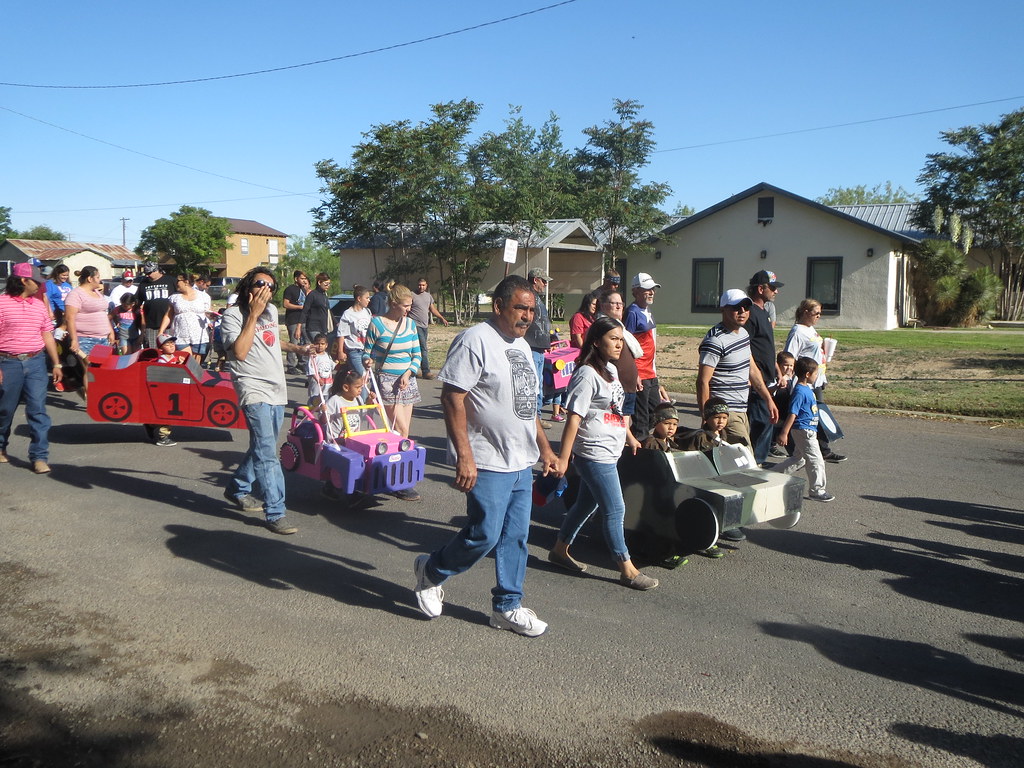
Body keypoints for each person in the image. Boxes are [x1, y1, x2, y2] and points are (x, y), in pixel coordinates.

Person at [413, 274, 559, 637]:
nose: (527, 316)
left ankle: (507, 606)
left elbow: (527, 407)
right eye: (520, 308)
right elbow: (452, 397)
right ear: (498, 307)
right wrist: (464, 456)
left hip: (521, 460)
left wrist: (545, 448)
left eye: (531, 309)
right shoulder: (475, 340)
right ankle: (431, 571)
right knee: (484, 535)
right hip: (487, 458)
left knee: (516, 538)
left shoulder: (524, 347)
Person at [548, 316, 656, 590]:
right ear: (596, 341)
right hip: (593, 452)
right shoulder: (586, 374)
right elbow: (574, 418)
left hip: (610, 450)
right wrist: (563, 457)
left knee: (587, 503)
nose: (620, 345)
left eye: (621, 339)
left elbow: (615, 409)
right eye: (614, 339)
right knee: (615, 509)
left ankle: (560, 550)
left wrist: (629, 436)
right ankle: (627, 569)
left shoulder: (610, 369)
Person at [221, 267, 312, 535]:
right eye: (261, 283)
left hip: (276, 387)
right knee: (268, 454)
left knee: (264, 445)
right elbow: (239, 352)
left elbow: (271, 341)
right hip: (253, 388)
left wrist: (297, 348)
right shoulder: (232, 316)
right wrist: (253, 316)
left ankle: (236, 488)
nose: (266, 289)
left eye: (271, 286)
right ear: (249, 285)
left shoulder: (271, 312)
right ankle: (276, 511)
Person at [696, 289, 779, 543]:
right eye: (735, 308)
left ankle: (723, 516)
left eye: (745, 307)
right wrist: (707, 417)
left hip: (740, 409)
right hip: (725, 412)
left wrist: (767, 397)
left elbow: (751, 367)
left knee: (732, 466)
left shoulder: (742, 334)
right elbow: (703, 381)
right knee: (739, 465)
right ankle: (727, 520)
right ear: (723, 310)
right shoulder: (715, 340)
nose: (742, 312)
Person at [0, 262, 63, 474]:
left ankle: (39, 456)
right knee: (5, 410)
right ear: (23, 281)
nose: (40, 286)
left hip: (36, 363)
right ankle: (0, 446)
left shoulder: (38, 306)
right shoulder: (1, 303)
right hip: (7, 363)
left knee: (38, 410)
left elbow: (47, 334)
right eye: (36, 281)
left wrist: (56, 363)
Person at [363, 285, 422, 478]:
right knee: (400, 428)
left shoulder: (411, 324)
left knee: (404, 432)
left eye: (410, 305)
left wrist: (408, 373)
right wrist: (367, 361)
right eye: (406, 306)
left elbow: (417, 355)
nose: (408, 309)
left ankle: (396, 472)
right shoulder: (377, 324)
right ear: (394, 304)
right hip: (387, 382)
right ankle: (395, 473)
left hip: (408, 382)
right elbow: (366, 352)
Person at [784, 299, 847, 464]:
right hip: (804, 381)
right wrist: (787, 377)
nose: (819, 316)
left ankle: (823, 450)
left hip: (816, 379)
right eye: (816, 313)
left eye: (820, 313)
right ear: (805, 312)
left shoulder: (810, 329)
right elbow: (789, 356)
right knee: (804, 416)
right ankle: (794, 449)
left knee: (816, 414)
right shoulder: (797, 332)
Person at [773, 357, 835, 502]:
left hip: (808, 429)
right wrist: (784, 433)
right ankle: (817, 490)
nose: (817, 376)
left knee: (799, 459)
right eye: (816, 373)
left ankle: (772, 476)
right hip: (803, 430)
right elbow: (792, 413)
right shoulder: (800, 391)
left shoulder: (807, 389)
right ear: (807, 374)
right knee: (816, 460)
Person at [624, 272, 669, 440]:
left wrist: (656, 374)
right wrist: (633, 374)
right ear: (635, 291)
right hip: (639, 373)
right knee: (642, 419)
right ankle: (637, 452)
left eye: (653, 289)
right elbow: (626, 344)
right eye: (647, 289)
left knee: (657, 414)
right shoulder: (632, 312)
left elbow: (652, 344)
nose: (651, 293)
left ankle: (645, 444)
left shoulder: (647, 310)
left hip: (650, 373)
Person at [746, 270, 784, 465]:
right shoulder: (750, 313)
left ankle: (757, 459)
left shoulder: (764, 312)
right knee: (762, 421)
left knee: (767, 421)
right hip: (756, 381)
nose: (776, 292)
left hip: (768, 378)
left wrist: (778, 371)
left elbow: (766, 346)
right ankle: (755, 462)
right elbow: (747, 347)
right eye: (773, 288)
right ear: (760, 289)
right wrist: (753, 377)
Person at [595, 289, 643, 431]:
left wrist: (636, 376)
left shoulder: (619, 327)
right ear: (603, 306)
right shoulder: (602, 327)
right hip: (616, 387)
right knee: (616, 426)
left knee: (625, 425)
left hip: (629, 385)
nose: (618, 306)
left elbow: (627, 355)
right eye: (614, 303)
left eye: (621, 303)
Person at [65, 266, 115, 397]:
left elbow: (103, 313)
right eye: (98, 277)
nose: (99, 280)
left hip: (102, 338)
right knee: (89, 367)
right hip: (85, 338)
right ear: (89, 278)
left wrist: (110, 331)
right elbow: (70, 318)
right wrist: (74, 340)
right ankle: (91, 399)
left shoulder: (97, 292)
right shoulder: (75, 294)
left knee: (100, 368)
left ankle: (99, 395)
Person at [143, 333, 188, 447]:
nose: (171, 346)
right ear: (161, 349)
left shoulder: (173, 357)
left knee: (164, 414)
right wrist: (178, 365)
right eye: (167, 344)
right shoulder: (162, 360)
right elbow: (165, 372)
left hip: (172, 390)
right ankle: (163, 437)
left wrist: (178, 362)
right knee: (169, 416)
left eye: (172, 343)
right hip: (164, 391)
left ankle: (151, 424)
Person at [523, 268, 553, 424]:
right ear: (535, 280)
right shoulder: (528, 297)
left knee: (539, 384)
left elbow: (542, 321)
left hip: (540, 347)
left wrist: (549, 339)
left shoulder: (537, 299)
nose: (546, 284)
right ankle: (534, 417)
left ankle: (537, 416)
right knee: (533, 383)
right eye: (544, 281)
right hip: (531, 346)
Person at [159, 274, 212, 356]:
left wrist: (211, 317)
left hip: (199, 335)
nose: (176, 283)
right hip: (181, 335)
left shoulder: (204, 297)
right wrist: (161, 331)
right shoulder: (174, 297)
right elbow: (168, 315)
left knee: (195, 365)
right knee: (185, 361)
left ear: (186, 282)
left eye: (178, 281)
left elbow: (208, 313)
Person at [409, 277, 448, 380]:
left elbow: (432, 309)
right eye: (419, 285)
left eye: (423, 285)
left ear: (426, 286)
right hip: (415, 325)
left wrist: (442, 318)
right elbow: (407, 309)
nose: (421, 287)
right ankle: (426, 371)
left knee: (417, 348)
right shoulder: (412, 295)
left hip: (424, 326)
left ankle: (413, 370)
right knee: (423, 348)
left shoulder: (428, 296)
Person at [137, 262, 177, 349]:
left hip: (169, 323)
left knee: (169, 348)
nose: (148, 276)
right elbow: (138, 301)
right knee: (153, 349)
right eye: (146, 273)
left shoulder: (170, 280)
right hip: (151, 324)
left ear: (157, 270)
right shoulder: (143, 283)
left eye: (150, 273)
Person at [339, 285, 372, 377]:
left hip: (366, 350)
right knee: (362, 376)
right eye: (367, 298)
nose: (369, 300)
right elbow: (342, 334)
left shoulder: (367, 311)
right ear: (359, 298)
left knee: (366, 377)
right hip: (354, 350)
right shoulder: (348, 314)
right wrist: (340, 351)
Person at [769, 351, 796, 458]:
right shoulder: (774, 378)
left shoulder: (791, 378)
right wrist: (777, 386)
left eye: (791, 365)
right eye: (785, 365)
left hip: (785, 409)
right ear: (778, 366)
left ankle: (794, 453)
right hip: (776, 409)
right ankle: (771, 447)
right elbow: (768, 391)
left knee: (784, 429)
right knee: (773, 429)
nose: (789, 368)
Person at [282, 270, 309, 374]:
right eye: (302, 278)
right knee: (294, 342)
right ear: (296, 279)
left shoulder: (304, 290)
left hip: (303, 320)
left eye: (305, 279)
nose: (304, 280)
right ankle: (291, 365)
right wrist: (300, 307)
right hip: (293, 319)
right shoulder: (290, 289)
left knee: (304, 342)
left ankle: (302, 363)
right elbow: (286, 304)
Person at [300, 272, 333, 345]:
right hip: (313, 327)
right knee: (317, 347)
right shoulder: (312, 295)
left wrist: (336, 322)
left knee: (322, 349)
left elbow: (328, 311)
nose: (328, 286)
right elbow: (305, 311)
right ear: (319, 282)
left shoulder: (324, 295)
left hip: (323, 327)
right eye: (326, 284)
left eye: (329, 284)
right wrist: (299, 327)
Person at [306, 333, 334, 408]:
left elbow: (331, 366)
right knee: (315, 399)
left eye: (322, 344)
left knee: (325, 399)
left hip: (327, 382)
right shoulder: (313, 356)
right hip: (316, 383)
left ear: (326, 345)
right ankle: (309, 412)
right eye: (317, 344)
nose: (320, 346)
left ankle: (323, 415)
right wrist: (318, 379)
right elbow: (311, 370)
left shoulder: (327, 355)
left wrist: (337, 362)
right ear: (314, 344)